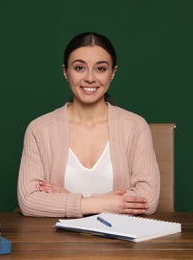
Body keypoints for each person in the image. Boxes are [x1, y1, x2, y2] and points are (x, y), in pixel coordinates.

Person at [17, 32, 160, 218]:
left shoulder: (135, 127)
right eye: (79, 68)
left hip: (120, 244)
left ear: (113, 73)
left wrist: (73, 200)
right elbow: (29, 201)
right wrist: (102, 203)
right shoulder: (39, 130)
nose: (90, 78)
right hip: (57, 243)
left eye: (100, 69)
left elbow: (148, 200)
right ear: (65, 72)